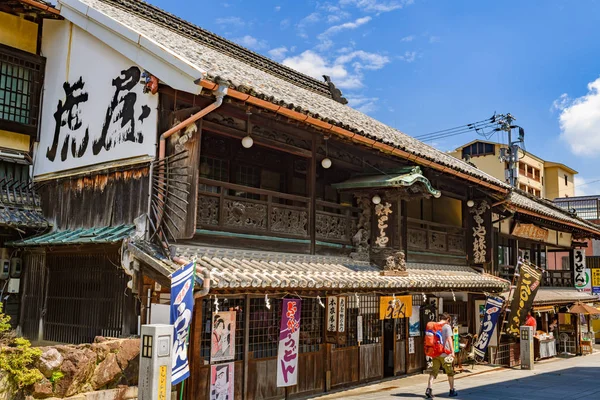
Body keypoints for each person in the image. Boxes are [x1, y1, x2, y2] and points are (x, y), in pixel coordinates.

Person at [426, 313, 457, 398]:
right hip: (445, 353)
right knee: (450, 372)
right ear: (447, 319)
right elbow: (450, 339)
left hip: (435, 353)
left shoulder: (434, 326)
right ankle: (452, 390)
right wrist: (452, 352)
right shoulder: (447, 327)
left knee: (433, 372)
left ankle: (429, 389)